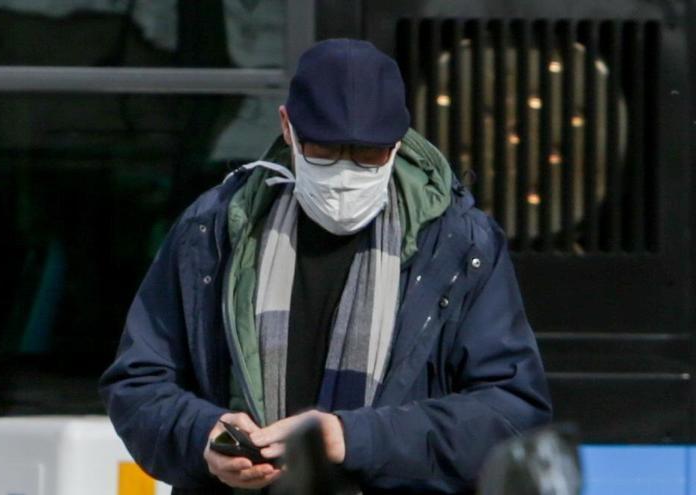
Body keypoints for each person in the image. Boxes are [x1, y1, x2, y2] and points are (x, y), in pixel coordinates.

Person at [99, 38, 552, 494]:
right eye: (323, 149)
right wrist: (204, 437)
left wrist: (352, 438)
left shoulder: (458, 244)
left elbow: (511, 411)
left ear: (397, 143)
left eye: (368, 154)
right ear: (287, 127)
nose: (344, 171)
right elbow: (138, 382)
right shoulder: (213, 230)